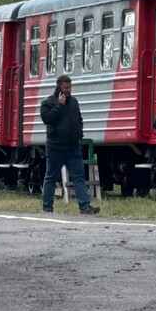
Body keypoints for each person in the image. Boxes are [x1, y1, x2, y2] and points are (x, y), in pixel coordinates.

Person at [39, 75, 100, 215]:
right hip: (55, 147)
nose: (68, 90)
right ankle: (47, 206)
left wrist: (79, 134)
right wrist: (59, 105)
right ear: (59, 87)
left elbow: (79, 119)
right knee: (51, 177)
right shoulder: (48, 102)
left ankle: (85, 206)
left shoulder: (73, 102)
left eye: (70, 87)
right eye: (66, 87)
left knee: (79, 177)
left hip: (73, 147)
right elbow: (47, 119)